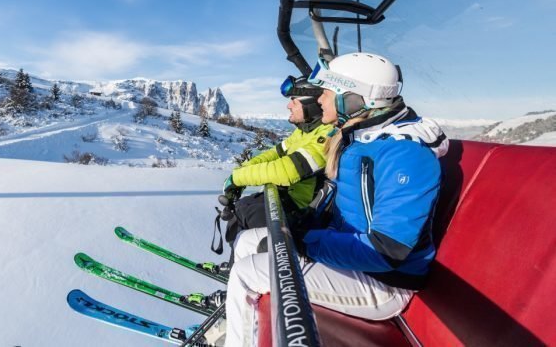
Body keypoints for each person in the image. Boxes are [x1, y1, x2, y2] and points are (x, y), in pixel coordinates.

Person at [223, 52, 449, 346]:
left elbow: (389, 250)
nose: (319, 100)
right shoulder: (358, 139)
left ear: (353, 99)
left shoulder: (404, 154)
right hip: (352, 256)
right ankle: (243, 325)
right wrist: (308, 226)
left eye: (327, 93)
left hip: (384, 282)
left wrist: (305, 241)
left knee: (246, 274)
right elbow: (349, 209)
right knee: (248, 241)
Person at [184, 76, 334, 309]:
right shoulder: (304, 132)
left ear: (310, 105)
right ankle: (238, 265)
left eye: (294, 100)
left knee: (252, 214)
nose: (288, 105)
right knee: (242, 208)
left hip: (304, 214)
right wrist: (241, 174)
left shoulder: (326, 135)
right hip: (289, 201)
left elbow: (287, 170)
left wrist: (238, 178)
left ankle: (241, 291)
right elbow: (273, 154)